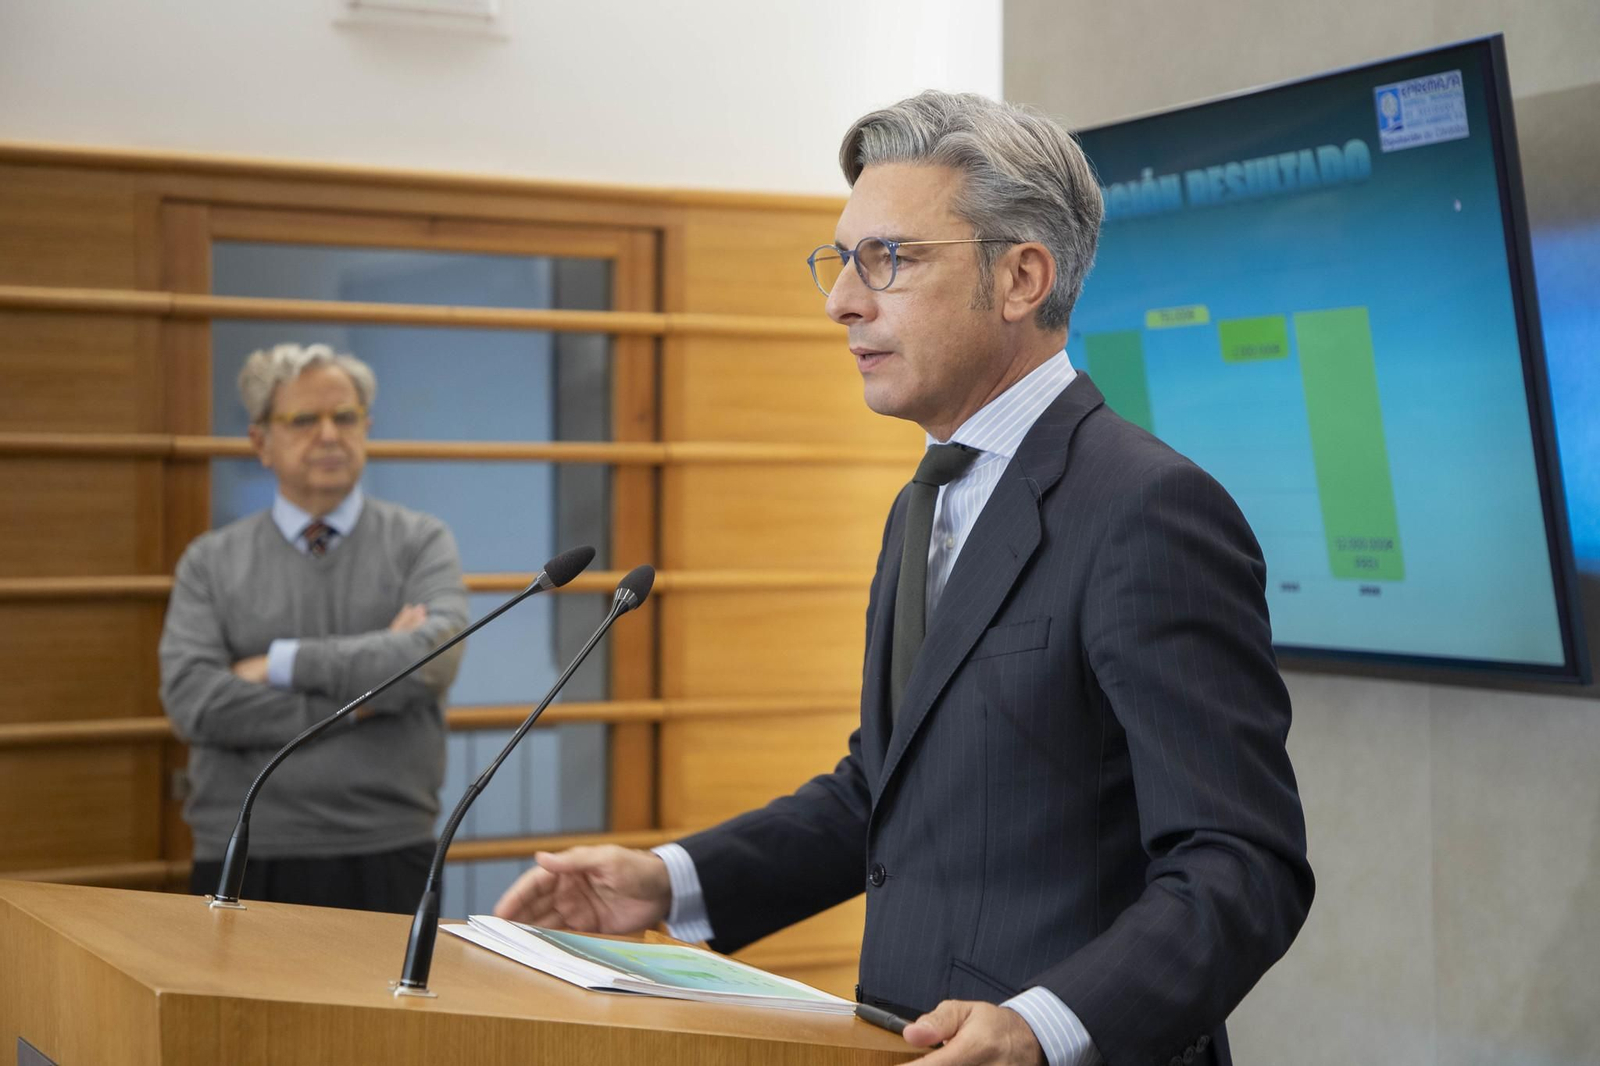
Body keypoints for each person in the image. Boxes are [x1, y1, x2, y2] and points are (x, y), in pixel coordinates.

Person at [494, 92, 1313, 1065]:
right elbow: (882, 792)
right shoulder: (927, 497)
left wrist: (1046, 1024)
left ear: (1019, 277)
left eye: (888, 259)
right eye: (838, 261)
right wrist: (668, 879)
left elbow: (1240, 863)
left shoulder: (1148, 510)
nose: (842, 299)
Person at [159, 343, 469, 914]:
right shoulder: (211, 562)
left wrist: (279, 664)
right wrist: (359, 703)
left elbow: (434, 660)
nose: (329, 435)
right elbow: (193, 702)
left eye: (345, 417)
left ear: (366, 429)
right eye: (304, 419)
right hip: (246, 849)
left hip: (389, 848)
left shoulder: (419, 542)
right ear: (260, 442)